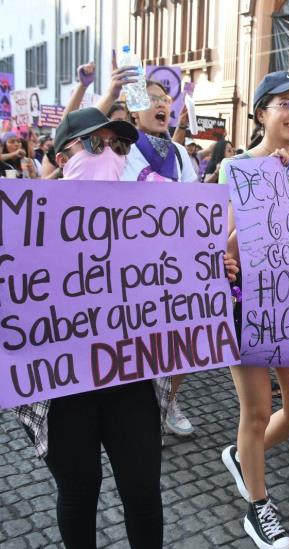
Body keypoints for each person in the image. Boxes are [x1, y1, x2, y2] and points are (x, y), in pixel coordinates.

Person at [13, 107, 165, 548]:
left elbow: (174, 278)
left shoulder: (147, 217)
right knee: (80, 491)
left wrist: (213, 269)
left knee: (142, 490)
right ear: (63, 158)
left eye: (118, 146)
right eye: (97, 143)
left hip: (130, 372)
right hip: (62, 382)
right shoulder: (23, 221)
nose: (110, 153)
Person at [219, 70, 289, 549]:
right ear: (262, 113)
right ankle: (258, 507)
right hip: (249, 308)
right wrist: (271, 190)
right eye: (285, 103)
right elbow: (229, 244)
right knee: (257, 412)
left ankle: (244, 457)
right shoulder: (237, 169)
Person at [119, 79, 199, 438]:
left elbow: (195, 205)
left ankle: (169, 400)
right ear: (135, 111)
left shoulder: (180, 155)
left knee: (181, 339)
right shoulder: (120, 151)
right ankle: (139, 412)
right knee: (140, 340)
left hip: (176, 260)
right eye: (151, 100)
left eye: (165, 99)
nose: (161, 104)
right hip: (132, 263)